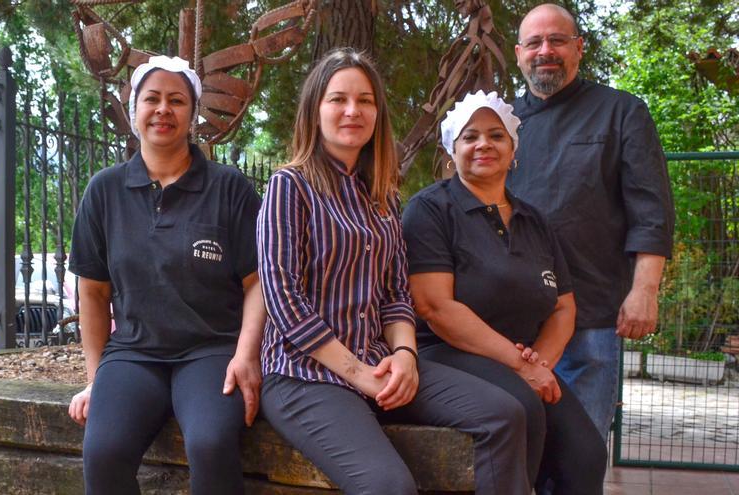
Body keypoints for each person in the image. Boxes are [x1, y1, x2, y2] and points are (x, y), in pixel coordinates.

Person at [257, 48, 530, 495]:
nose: (353, 110)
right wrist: (360, 374)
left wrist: (405, 356)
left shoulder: (382, 196)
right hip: (304, 375)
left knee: (504, 414)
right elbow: (285, 303)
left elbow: (395, 294)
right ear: (315, 110)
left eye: (365, 100)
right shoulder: (290, 186)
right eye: (338, 99)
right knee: (389, 486)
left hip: (380, 361)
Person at [66, 55, 266, 495]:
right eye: (151, 99)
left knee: (211, 443)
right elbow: (93, 295)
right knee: (103, 450)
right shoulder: (104, 191)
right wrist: (97, 379)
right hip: (135, 353)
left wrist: (247, 355)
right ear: (133, 109)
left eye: (177, 100)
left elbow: (258, 284)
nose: (163, 109)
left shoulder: (229, 188)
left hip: (211, 350)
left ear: (192, 114)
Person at [403, 90, 607, 494]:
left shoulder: (534, 221)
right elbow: (436, 307)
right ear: (452, 150)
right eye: (470, 136)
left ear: (513, 149)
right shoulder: (430, 210)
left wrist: (540, 364)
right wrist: (521, 366)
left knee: (586, 453)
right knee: (522, 408)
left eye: (496, 136)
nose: (484, 144)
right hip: (446, 354)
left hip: (525, 359)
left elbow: (563, 307)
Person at [507, 3, 675, 442]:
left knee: (580, 456)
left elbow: (651, 211)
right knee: (513, 456)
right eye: (535, 42)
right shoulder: (499, 124)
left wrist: (644, 291)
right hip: (510, 322)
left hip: (592, 317)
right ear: (518, 53)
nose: (546, 51)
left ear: (579, 48)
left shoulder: (622, 112)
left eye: (557, 40)